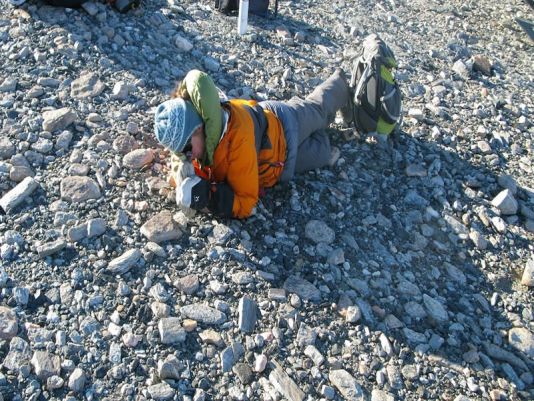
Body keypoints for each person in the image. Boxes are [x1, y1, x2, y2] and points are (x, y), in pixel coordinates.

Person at [154, 68, 352, 219]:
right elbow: (180, 158)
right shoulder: (196, 135)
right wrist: (184, 178)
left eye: (187, 150)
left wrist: (211, 200)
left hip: (285, 123)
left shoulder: (237, 139)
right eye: (179, 151)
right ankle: (330, 134)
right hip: (280, 164)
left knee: (318, 110)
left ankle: (344, 83)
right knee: (323, 154)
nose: (189, 156)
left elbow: (246, 203)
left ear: (199, 129)